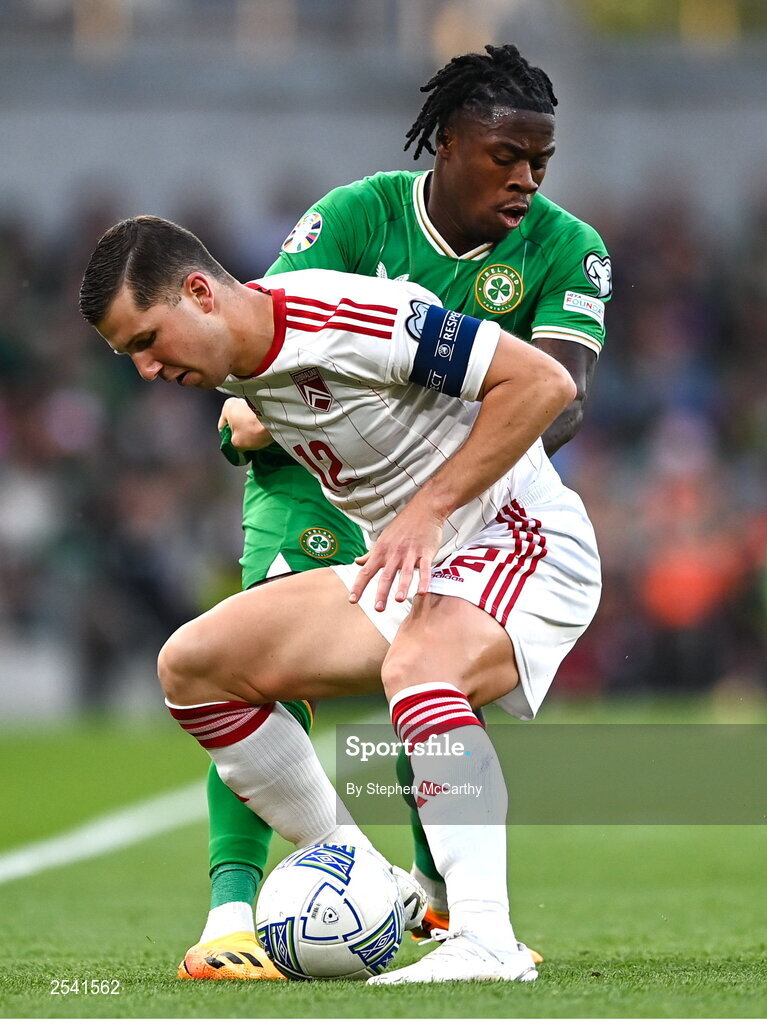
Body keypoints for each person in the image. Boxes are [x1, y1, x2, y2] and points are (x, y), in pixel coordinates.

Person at [79, 214, 602, 983]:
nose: (147, 370)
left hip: (522, 539)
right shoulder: (234, 361)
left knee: (419, 670)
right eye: (130, 356)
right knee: (194, 667)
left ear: (200, 293)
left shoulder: (339, 313)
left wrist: (427, 510)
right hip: (417, 570)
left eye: (148, 341)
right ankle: (368, 876)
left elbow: (543, 383)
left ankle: (486, 938)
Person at [186, 42, 611, 980]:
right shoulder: (355, 215)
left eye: (542, 160)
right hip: (310, 477)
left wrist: (442, 468)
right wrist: (253, 409)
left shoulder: (569, 247)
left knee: (431, 664)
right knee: (239, 663)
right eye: (507, 156)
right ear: (448, 143)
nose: (527, 179)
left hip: (451, 490)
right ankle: (228, 913)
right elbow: (268, 335)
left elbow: (561, 399)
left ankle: (442, 907)